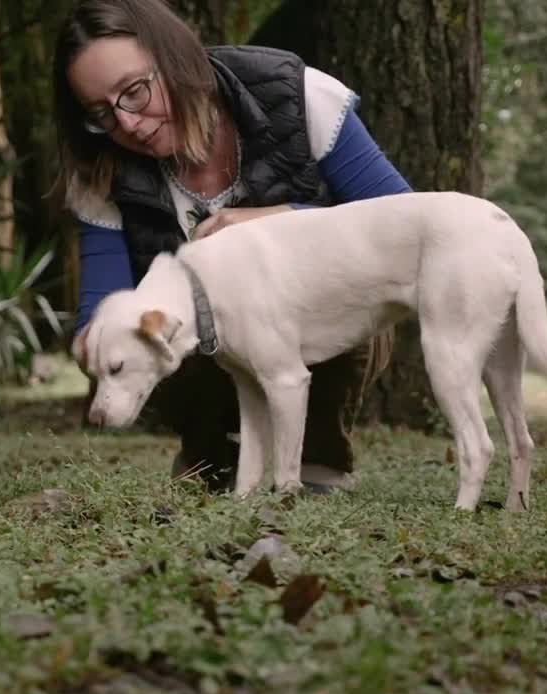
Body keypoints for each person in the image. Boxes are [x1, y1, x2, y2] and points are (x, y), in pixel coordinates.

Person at [52, 0, 412, 494]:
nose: (127, 124)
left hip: (322, 325)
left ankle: (318, 461)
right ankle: (211, 458)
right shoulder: (101, 169)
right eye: (101, 113)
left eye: (134, 91)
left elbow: (406, 226)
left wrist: (277, 220)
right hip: (202, 363)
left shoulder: (297, 96)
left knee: (326, 289)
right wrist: (93, 342)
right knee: (173, 322)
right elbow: (101, 309)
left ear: (175, 57)